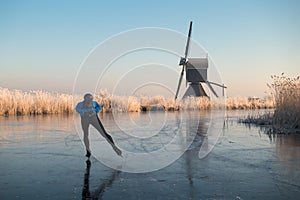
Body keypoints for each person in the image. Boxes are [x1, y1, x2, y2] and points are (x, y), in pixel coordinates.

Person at [76, 93, 122, 157]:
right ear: (85, 99)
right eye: (88, 99)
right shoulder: (80, 104)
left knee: (104, 133)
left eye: (91, 99)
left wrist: (94, 111)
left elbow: (98, 107)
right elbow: (78, 109)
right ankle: (88, 150)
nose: (90, 101)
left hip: (94, 119)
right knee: (86, 134)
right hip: (85, 120)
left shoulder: (94, 103)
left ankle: (114, 147)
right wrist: (88, 111)